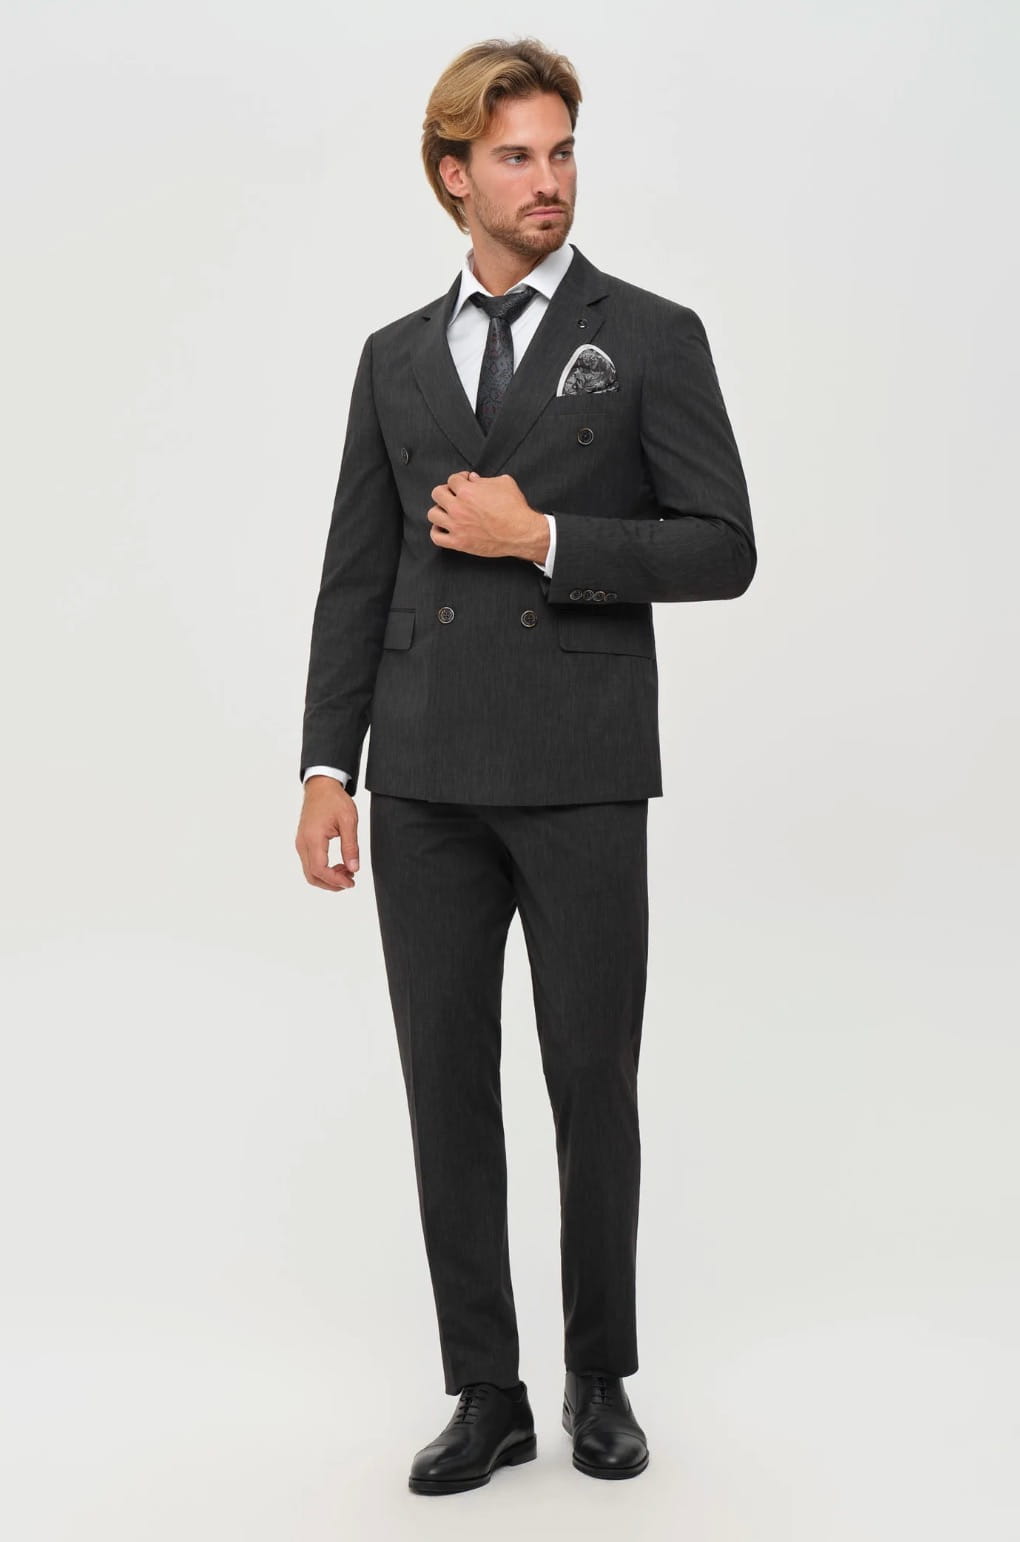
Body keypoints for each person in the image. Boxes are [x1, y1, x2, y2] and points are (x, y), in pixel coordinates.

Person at [295, 35, 756, 1494]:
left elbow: (725, 546)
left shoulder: (653, 335)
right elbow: (356, 575)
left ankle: (597, 1372)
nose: (546, 180)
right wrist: (326, 768)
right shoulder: (392, 358)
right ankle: (485, 1389)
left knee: (588, 1078)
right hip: (425, 774)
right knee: (445, 1081)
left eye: (561, 153)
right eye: (515, 157)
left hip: (580, 765)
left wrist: (544, 538)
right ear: (455, 176)